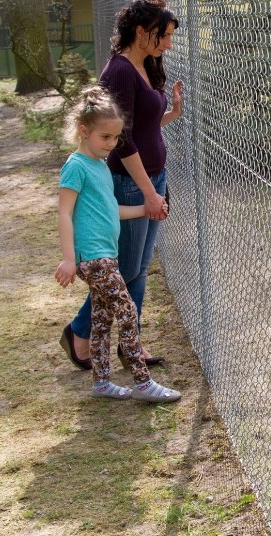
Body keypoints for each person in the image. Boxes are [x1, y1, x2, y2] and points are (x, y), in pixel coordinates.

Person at [59, 0, 183, 370]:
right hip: (132, 182)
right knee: (126, 269)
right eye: (163, 36)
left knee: (138, 268)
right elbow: (122, 140)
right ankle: (81, 332)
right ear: (141, 31)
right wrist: (148, 192)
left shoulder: (145, 66)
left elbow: (142, 127)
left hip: (152, 178)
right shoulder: (120, 71)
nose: (168, 44)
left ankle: (131, 344)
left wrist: (171, 114)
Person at [55, 86, 181, 402]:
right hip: (93, 258)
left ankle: (101, 382)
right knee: (126, 310)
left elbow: (112, 209)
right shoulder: (76, 166)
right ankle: (142, 382)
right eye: (105, 137)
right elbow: (64, 212)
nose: (112, 144)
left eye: (115, 138)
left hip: (106, 256)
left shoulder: (100, 166)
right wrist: (69, 259)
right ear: (84, 132)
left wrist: (146, 209)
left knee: (102, 319)